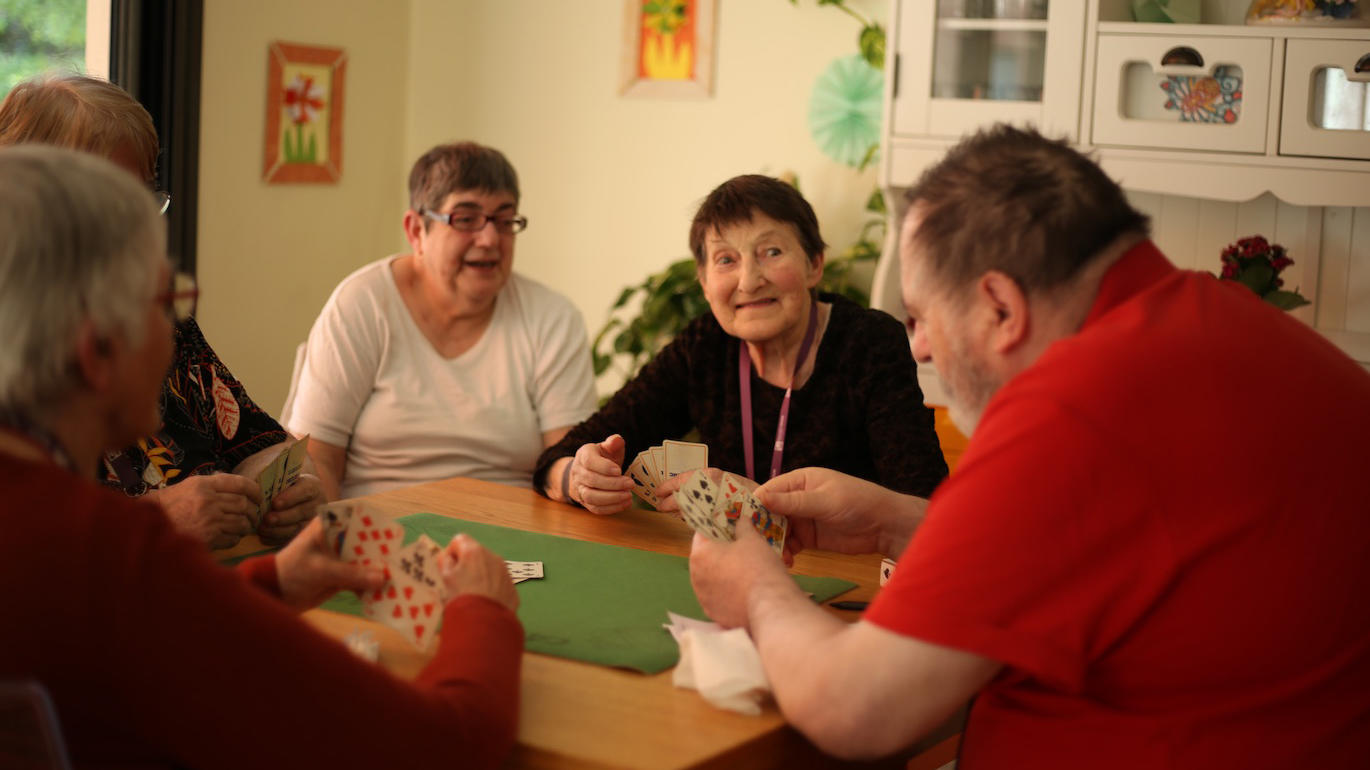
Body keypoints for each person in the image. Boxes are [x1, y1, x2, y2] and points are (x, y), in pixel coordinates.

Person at [688, 126, 1370, 767]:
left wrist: (757, 589)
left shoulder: (1073, 410)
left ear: (1001, 308)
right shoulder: (1225, 325)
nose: (919, 345)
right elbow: (1114, 550)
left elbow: (854, 707)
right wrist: (906, 522)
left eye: (922, 317)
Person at [0, 145, 524, 768]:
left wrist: (270, 584)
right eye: (164, 304)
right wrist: (482, 611)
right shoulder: (109, 552)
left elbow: (160, 634)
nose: (178, 332)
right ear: (95, 351)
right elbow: (448, 748)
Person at [0, 73, 324, 547]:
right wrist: (155, 518)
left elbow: (260, 442)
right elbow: (28, 545)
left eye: (145, 199)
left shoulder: (156, 321)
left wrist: (297, 489)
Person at [534, 174, 946, 514]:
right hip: (735, 574)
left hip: (848, 579)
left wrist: (755, 501)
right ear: (704, 280)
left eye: (771, 252)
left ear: (814, 264)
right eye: (726, 260)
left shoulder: (868, 344)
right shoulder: (704, 348)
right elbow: (561, 457)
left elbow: (922, 506)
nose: (749, 281)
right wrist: (577, 478)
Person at [288, 142, 597, 498]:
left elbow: (566, 459)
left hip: (512, 538)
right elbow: (317, 460)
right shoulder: (363, 303)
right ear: (416, 230)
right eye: (465, 219)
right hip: (378, 534)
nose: (489, 239)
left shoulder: (553, 318)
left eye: (504, 219)